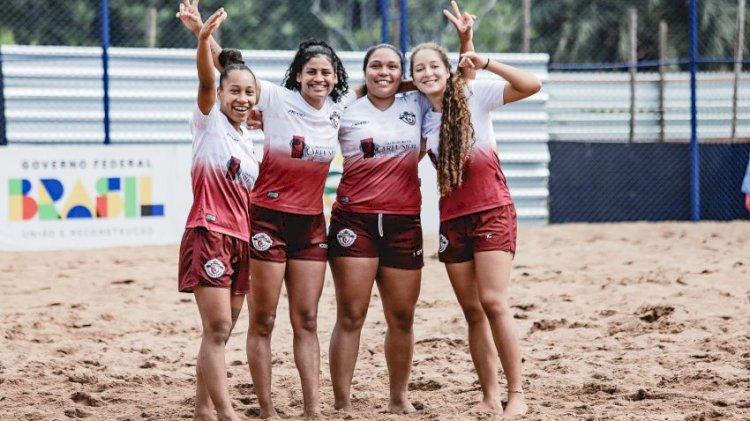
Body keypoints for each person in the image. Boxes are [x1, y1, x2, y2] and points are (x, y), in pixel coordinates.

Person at [177, 1, 352, 418]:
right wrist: (202, 33)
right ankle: (264, 410)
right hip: (259, 224)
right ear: (298, 75)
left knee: (305, 319)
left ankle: (312, 410)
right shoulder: (270, 98)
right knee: (254, 323)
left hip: (306, 224)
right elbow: (227, 72)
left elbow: (386, 93)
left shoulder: (339, 112)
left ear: (335, 77)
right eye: (311, 71)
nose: (319, 77)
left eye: (326, 72)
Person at [327, 2, 476, 414]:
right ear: (364, 71)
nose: (384, 72)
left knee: (402, 319)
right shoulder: (345, 108)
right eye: (376, 66)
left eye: (392, 66)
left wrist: (465, 40)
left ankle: (398, 400)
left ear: (402, 74)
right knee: (351, 315)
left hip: (403, 222)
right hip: (353, 221)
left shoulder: (419, 105)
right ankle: (341, 404)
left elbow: (458, 82)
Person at [410, 33, 541, 418]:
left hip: (492, 211)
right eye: (419, 68)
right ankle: (489, 394)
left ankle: (517, 393)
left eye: (434, 65)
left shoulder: (474, 96)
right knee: (472, 311)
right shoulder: (422, 119)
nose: (427, 72)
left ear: (447, 69)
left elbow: (530, 86)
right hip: (452, 218)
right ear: (413, 77)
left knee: (493, 301)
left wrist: (483, 61)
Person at [176, 7, 259, 421]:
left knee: (219, 334)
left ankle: (203, 411)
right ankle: (227, 414)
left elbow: (234, 71)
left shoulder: (248, 138)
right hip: (208, 231)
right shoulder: (209, 121)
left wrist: (215, 46)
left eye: (249, 93)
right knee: (219, 329)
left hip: (241, 239)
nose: (242, 99)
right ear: (221, 96)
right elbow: (210, 78)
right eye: (235, 93)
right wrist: (203, 40)